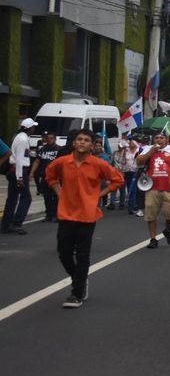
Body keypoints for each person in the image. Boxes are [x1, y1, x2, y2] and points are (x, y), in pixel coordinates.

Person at [44, 129, 124, 308]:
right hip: (66, 213)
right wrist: (59, 192)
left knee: (82, 254)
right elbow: (50, 176)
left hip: (87, 215)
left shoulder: (98, 163)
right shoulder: (62, 162)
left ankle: (77, 292)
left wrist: (99, 195)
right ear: (74, 143)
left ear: (92, 145)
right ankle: (79, 279)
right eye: (79, 139)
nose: (82, 142)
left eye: (86, 140)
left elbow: (118, 180)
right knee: (64, 252)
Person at [136, 132, 170, 249]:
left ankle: (167, 230)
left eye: (161, 138)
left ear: (166, 140)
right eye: (156, 138)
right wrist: (151, 151)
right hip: (152, 188)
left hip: (169, 188)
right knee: (151, 214)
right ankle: (153, 239)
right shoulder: (149, 150)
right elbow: (139, 162)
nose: (159, 140)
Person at [2, 117, 38, 234]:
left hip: (14, 171)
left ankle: (6, 224)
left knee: (12, 199)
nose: (34, 129)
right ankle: (16, 223)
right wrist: (20, 177)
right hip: (19, 170)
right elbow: (19, 160)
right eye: (33, 127)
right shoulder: (22, 139)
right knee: (26, 198)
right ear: (29, 128)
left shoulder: (19, 137)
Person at [30, 132, 61, 222]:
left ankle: (55, 214)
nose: (49, 140)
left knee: (55, 196)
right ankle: (48, 214)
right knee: (46, 196)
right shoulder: (42, 149)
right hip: (45, 176)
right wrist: (31, 173)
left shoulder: (59, 149)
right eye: (48, 138)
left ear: (55, 139)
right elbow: (37, 161)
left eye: (52, 138)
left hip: (56, 177)